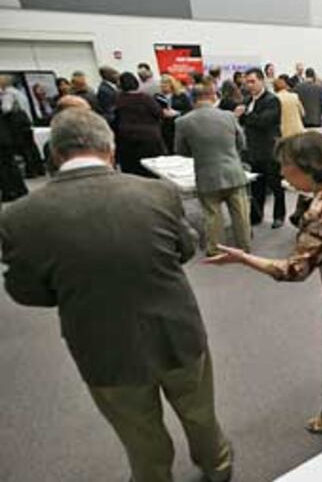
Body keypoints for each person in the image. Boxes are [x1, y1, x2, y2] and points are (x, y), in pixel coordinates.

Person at [0, 108, 232, 482]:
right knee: (200, 413)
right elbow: (185, 250)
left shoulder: (19, 216)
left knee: (138, 433)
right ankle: (218, 467)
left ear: (55, 154)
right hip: (177, 332)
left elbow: (26, 292)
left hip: (101, 345)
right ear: (109, 149)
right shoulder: (158, 192)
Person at [205, 131, 322, 433]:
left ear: (308, 165)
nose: (282, 172)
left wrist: (243, 258)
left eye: (286, 165)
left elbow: (293, 271)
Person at [175, 83, 251, 256]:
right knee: (241, 214)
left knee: (212, 215)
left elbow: (181, 151)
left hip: (206, 174)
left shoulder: (182, 122)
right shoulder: (229, 117)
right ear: (213, 96)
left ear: (192, 99)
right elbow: (242, 143)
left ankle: (216, 250)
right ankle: (244, 246)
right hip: (233, 171)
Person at [239, 67, 285, 228]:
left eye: (252, 81)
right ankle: (256, 216)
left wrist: (245, 115)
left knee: (276, 185)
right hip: (253, 150)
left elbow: (264, 122)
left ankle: (279, 216)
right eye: (247, 83)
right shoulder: (246, 100)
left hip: (270, 150)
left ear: (261, 80)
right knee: (256, 187)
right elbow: (243, 123)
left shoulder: (271, 100)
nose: (249, 85)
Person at [113, 72, 165, 177]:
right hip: (148, 136)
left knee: (133, 169)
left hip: (127, 138)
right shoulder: (145, 98)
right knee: (152, 169)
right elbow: (158, 113)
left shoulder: (119, 99)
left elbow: (116, 117)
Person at [155, 74, 192, 154]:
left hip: (178, 126)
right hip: (164, 128)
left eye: (165, 83)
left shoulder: (181, 96)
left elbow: (189, 110)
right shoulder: (157, 97)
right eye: (162, 83)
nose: (163, 85)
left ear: (172, 84)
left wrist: (177, 113)